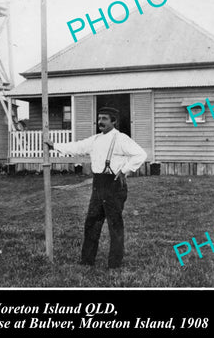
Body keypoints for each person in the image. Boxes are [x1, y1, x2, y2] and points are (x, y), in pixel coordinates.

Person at [44, 107, 147, 269]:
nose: (100, 122)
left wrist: (125, 170)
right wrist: (54, 145)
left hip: (114, 185)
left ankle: (114, 263)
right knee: (91, 223)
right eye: (99, 118)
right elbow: (77, 147)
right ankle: (87, 261)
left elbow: (141, 154)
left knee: (115, 224)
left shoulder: (121, 139)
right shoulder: (96, 139)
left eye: (105, 119)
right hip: (98, 185)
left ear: (114, 121)